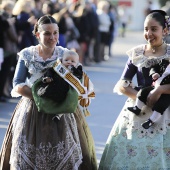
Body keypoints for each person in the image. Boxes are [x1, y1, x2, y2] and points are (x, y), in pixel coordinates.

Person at [0, 15, 97, 170]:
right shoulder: (27, 54)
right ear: (38, 34)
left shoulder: (65, 54)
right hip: (32, 108)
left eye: (55, 33)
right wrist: (40, 96)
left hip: (61, 110)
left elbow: (78, 79)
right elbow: (17, 83)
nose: (52, 37)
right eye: (47, 33)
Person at [99, 10, 170, 169]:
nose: (149, 33)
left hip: (164, 110)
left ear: (164, 30)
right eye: (146, 29)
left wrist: (159, 91)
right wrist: (142, 97)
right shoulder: (137, 53)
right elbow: (123, 84)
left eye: (153, 29)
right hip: (137, 110)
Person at [128, 60, 170, 129]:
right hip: (154, 86)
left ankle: (151, 120)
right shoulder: (164, 62)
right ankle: (137, 108)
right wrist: (154, 73)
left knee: (161, 105)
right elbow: (155, 67)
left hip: (167, 95)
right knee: (143, 92)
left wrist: (160, 90)